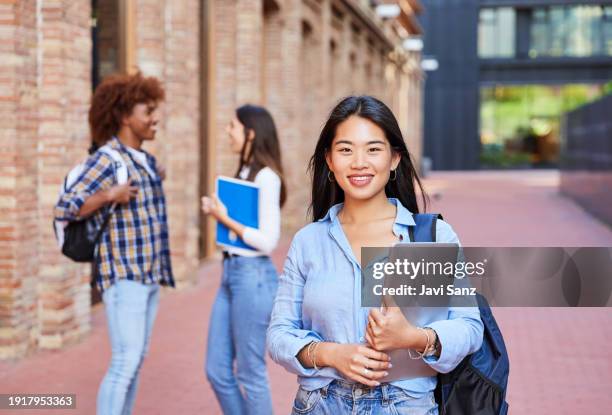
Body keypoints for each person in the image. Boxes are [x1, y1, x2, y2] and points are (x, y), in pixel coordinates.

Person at [266, 96, 483, 414]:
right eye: (345, 149)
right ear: (329, 160)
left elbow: (469, 328)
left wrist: (413, 337)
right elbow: (278, 334)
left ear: (394, 158)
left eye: (373, 149)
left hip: (405, 405)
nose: (358, 163)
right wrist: (330, 354)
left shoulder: (428, 238)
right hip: (321, 404)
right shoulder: (309, 242)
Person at [54, 72, 174, 415]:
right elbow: (64, 205)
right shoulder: (107, 160)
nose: (155, 118)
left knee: (134, 361)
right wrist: (109, 194)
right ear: (124, 116)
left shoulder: (145, 160)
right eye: (147, 111)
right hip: (123, 278)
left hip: (148, 276)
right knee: (125, 361)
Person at [201, 104, 286, 415]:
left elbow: (267, 240)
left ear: (251, 133)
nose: (227, 132)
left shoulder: (267, 177)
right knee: (217, 370)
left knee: (250, 374)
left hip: (254, 276)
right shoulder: (245, 173)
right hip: (231, 272)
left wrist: (223, 217)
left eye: (232, 126)